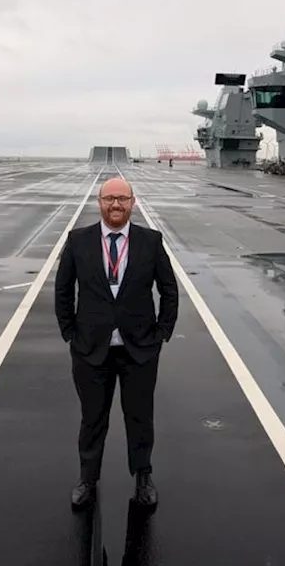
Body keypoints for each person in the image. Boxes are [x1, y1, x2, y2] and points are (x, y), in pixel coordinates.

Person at [54, 176, 179, 510]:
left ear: (132, 203)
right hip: (90, 348)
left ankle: (143, 478)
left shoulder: (150, 242)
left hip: (138, 348)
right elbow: (63, 289)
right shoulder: (78, 241)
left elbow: (169, 289)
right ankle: (87, 479)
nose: (116, 205)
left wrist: (162, 332)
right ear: (99, 202)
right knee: (92, 418)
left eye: (122, 199)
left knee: (140, 417)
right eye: (110, 199)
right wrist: (69, 332)